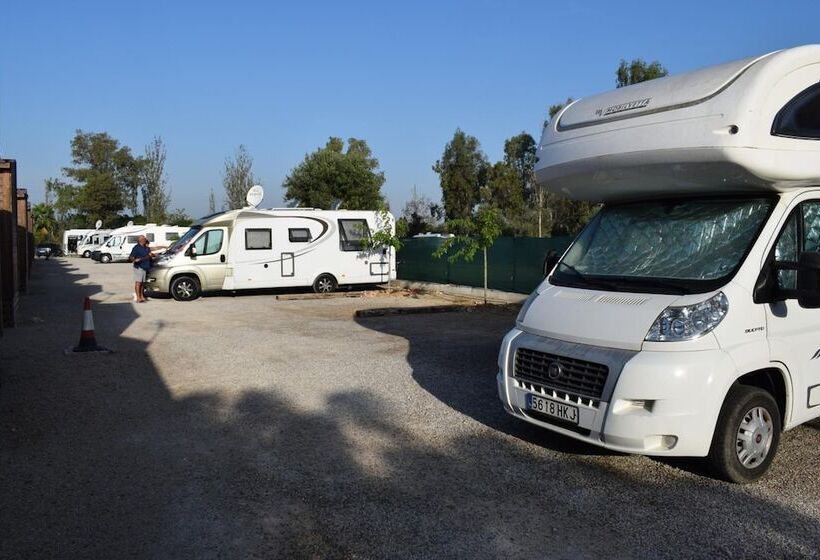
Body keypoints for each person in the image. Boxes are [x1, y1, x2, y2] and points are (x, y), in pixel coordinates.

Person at [129, 236, 153, 303]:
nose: (145, 240)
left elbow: (150, 254)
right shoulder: (136, 248)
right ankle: (138, 297)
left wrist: (151, 255)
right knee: (138, 282)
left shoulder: (146, 248)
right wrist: (134, 260)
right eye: (144, 239)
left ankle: (142, 296)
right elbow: (131, 257)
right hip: (139, 267)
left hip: (145, 267)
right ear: (141, 240)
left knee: (143, 283)